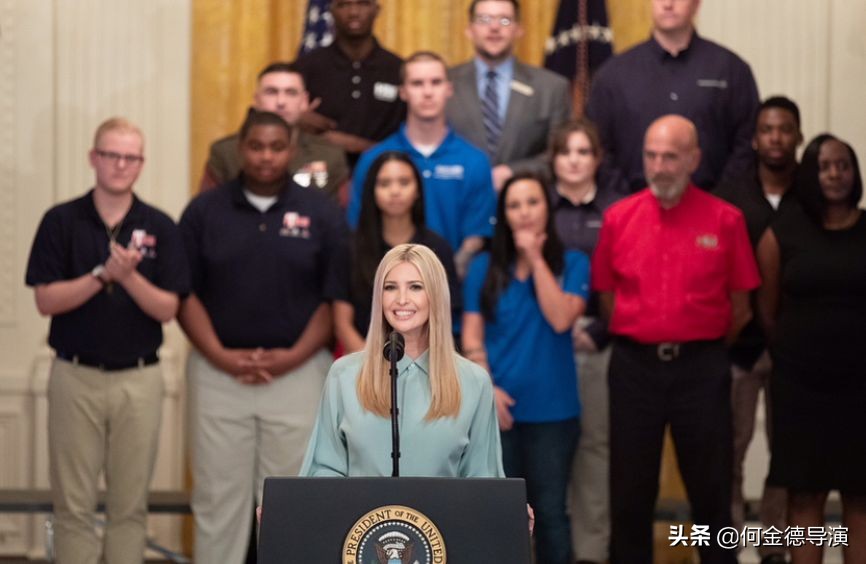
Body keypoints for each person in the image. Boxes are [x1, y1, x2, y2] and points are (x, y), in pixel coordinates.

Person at [178, 110, 347, 564]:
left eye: (276, 147)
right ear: (240, 148)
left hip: (298, 374)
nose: (266, 156)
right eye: (256, 146)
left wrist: (288, 357)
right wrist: (220, 355)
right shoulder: (203, 212)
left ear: (291, 150)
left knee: (293, 504)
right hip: (217, 375)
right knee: (217, 500)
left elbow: (334, 299)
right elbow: (183, 293)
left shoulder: (322, 212)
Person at [592, 115, 759, 564]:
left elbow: (741, 305)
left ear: (694, 159)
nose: (659, 166)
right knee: (630, 493)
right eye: (651, 155)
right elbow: (606, 298)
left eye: (670, 156)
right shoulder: (618, 218)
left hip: (701, 370)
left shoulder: (726, 220)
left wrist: (694, 343)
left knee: (711, 493)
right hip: (634, 369)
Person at [25, 117, 190, 564]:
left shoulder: (159, 224)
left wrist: (127, 275)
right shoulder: (61, 220)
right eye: (111, 155)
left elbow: (168, 309)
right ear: (93, 158)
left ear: (141, 163)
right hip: (74, 375)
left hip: (140, 379)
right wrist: (101, 275)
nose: (121, 165)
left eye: (130, 157)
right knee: (73, 507)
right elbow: (46, 300)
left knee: (129, 506)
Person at [462, 173, 589, 564]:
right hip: (498, 413)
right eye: (514, 205)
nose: (524, 212)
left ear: (547, 208)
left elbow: (561, 319)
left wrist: (535, 258)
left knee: (550, 513)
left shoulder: (574, 262)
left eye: (532, 202)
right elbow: (470, 340)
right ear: (503, 215)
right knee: (502, 517)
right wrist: (488, 390)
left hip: (554, 413)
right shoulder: (483, 267)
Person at [301, 243, 503, 478]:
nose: (401, 299)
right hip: (359, 515)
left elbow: (483, 477)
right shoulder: (343, 374)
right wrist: (289, 509)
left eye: (416, 287)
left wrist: (507, 511)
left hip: (443, 515)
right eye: (390, 288)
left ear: (436, 296)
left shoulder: (474, 381)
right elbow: (324, 470)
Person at [756, 134, 866, 564]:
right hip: (801, 388)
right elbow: (767, 312)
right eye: (824, 166)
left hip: (861, 387)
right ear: (809, 174)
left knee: (861, 499)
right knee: (805, 498)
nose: (835, 174)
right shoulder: (783, 233)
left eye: (843, 165)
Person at [715, 96, 803, 564]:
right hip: (740, 348)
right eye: (767, 129)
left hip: (798, 351)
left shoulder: (812, 197)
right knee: (730, 449)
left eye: (785, 129)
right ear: (754, 138)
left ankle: (775, 546)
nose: (775, 138)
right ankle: (728, 545)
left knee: (787, 455)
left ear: (798, 137)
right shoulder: (731, 198)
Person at [547, 118, 627, 564]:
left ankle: (592, 552)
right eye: (565, 152)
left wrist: (598, 332)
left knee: (596, 448)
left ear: (597, 159)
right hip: (547, 348)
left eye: (583, 152)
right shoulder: (539, 208)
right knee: (548, 449)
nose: (574, 160)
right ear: (553, 160)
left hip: (601, 343)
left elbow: (628, 283)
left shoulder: (618, 210)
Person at [347, 51, 496, 277]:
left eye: (435, 82)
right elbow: (359, 231)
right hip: (385, 291)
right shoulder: (374, 159)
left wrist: (439, 283)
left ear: (449, 88)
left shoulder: (474, 161)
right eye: (417, 83)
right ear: (403, 92)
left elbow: (476, 237)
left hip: (451, 293)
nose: (427, 92)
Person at [586, 0, 759, 192]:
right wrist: (628, 204)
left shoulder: (730, 70)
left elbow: (746, 143)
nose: (668, 4)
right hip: (633, 209)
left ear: (696, 4)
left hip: (713, 208)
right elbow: (598, 146)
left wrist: (719, 203)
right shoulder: (613, 74)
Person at [334, 151, 460, 353]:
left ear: (418, 189)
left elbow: (444, 319)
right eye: (384, 184)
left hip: (425, 365)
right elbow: (342, 323)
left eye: (403, 182)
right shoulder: (350, 247)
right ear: (371, 191)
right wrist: (373, 367)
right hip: (362, 364)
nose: (394, 191)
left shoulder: (437, 248)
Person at [447, 0, 572, 190]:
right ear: (469, 30)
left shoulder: (551, 88)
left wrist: (512, 171)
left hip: (526, 206)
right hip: (456, 202)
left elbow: (560, 154)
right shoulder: (444, 83)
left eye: (505, 20)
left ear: (519, 29)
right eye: (484, 19)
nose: (495, 27)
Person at [199, 61, 349, 202]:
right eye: (271, 92)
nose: (281, 102)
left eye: (291, 93)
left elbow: (341, 219)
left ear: (304, 101)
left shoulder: (330, 155)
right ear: (256, 100)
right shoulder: (226, 152)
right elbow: (207, 214)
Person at [294, 0, 405, 166]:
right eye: (344, 5)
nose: (353, 12)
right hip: (320, 172)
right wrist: (297, 120)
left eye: (363, 4)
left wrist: (357, 146)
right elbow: (274, 120)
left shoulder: (398, 69)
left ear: (376, 10)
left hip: (384, 174)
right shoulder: (307, 66)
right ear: (331, 11)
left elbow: (411, 135)